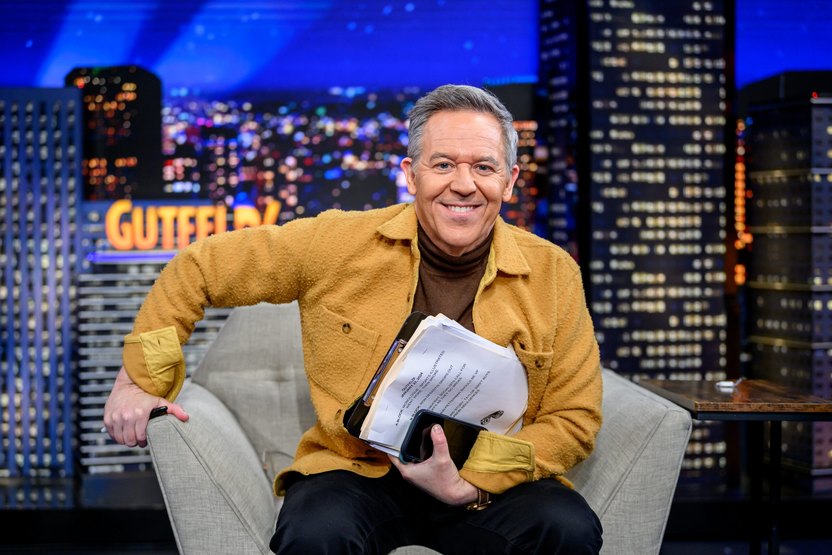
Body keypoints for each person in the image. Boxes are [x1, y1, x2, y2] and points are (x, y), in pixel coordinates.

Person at [104, 84, 604, 554]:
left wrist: (470, 480)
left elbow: (574, 418)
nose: (463, 185)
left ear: (511, 180)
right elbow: (200, 268)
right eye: (444, 164)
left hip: (485, 481)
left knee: (570, 527)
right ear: (411, 174)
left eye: (485, 168)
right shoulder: (337, 243)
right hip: (357, 470)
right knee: (316, 532)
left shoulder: (554, 273)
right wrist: (139, 381)